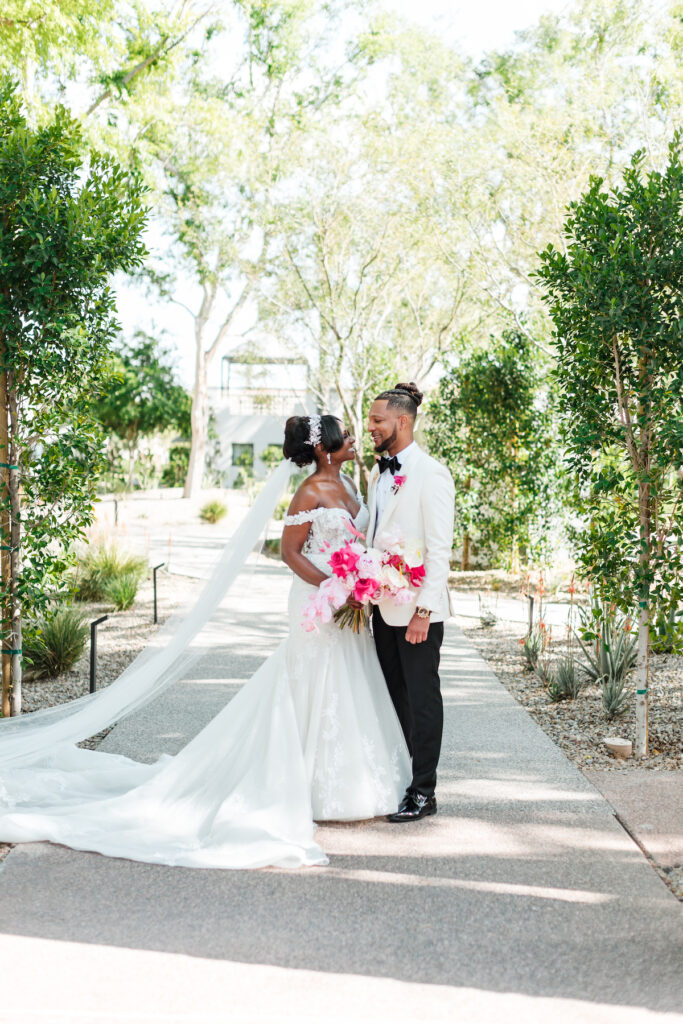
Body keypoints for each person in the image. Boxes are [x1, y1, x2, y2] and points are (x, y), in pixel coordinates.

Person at [0, 414, 411, 870]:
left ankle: (356, 782)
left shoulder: (354, 486)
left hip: (347, 602)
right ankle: (308, 786)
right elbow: (290, 552)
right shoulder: (309, 492)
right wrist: (335, 590)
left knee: (351, 679)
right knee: (317, 681)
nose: (353, 439)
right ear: (322, 448)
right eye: (344, 435)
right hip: (319, 601)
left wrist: (359, 583)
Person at [366, 383, 455, 822]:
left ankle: (424, 792)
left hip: (417, 613)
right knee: (393, 697)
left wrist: (424, 612)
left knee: (422, 702)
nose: (370, 428)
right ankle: (403, 780)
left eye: (377, 420)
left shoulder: (432, 474)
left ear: (402, 422)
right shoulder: (377, 473)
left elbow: (440, 550)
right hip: (381, 609)